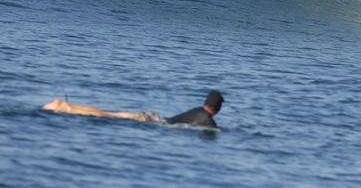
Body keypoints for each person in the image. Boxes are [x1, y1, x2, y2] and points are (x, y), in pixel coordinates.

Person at [41, 90, 224, 128]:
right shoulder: (208, 121)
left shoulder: (197, 110)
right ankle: (67, 107)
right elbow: (211, 128)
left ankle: (68, 106)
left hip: (152, 117)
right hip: (152, 121)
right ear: (218, 107)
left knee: (108, 114)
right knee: (107, 117)